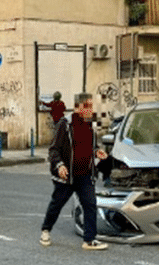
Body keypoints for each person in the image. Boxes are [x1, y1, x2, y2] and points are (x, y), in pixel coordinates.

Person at [40, 93, 109, 250]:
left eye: (91, 107)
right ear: (78, 107)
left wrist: (97, 151)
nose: (91, 111)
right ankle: (46, 229)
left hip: (85, 174)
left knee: (90, 204)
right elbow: (54, 149)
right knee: (57, 204)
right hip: (67, 176)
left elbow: (91, 146)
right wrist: (59, 166)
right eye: (87, 107)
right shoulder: (66, 124)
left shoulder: (90, 125)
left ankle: (89, 240)